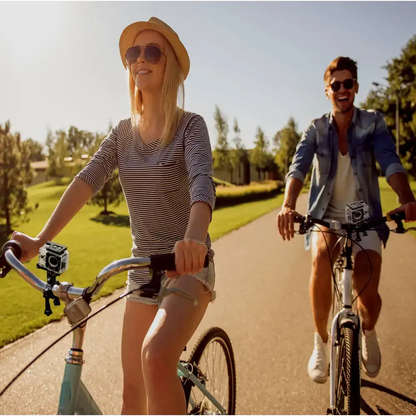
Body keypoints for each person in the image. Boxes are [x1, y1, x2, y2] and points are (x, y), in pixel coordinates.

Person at [12, 17, 216, 415]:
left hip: (188, 268)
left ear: (169, 63)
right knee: (131, 394)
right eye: (132, 53)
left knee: (156, 357)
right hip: (141, 272)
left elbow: (202, 184)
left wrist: (193, 237)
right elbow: (86, 181)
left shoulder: (191, 126)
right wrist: (38, 240)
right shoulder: (122, 134)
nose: (140, 60)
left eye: (151, 51)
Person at [276, 56, 416, 384]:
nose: (342, 89)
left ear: (355, 87)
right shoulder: (316, 128)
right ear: (327, 91)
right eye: (335, 84)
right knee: (321, 261)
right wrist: (287, 204)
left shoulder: (374, 123)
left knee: (368, 296)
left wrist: (407, 198)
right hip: (327, 215)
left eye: (347, 83)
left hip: (365, 215)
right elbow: (297, 167)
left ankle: (367, 331)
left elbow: (389, 160)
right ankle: (321, 343)